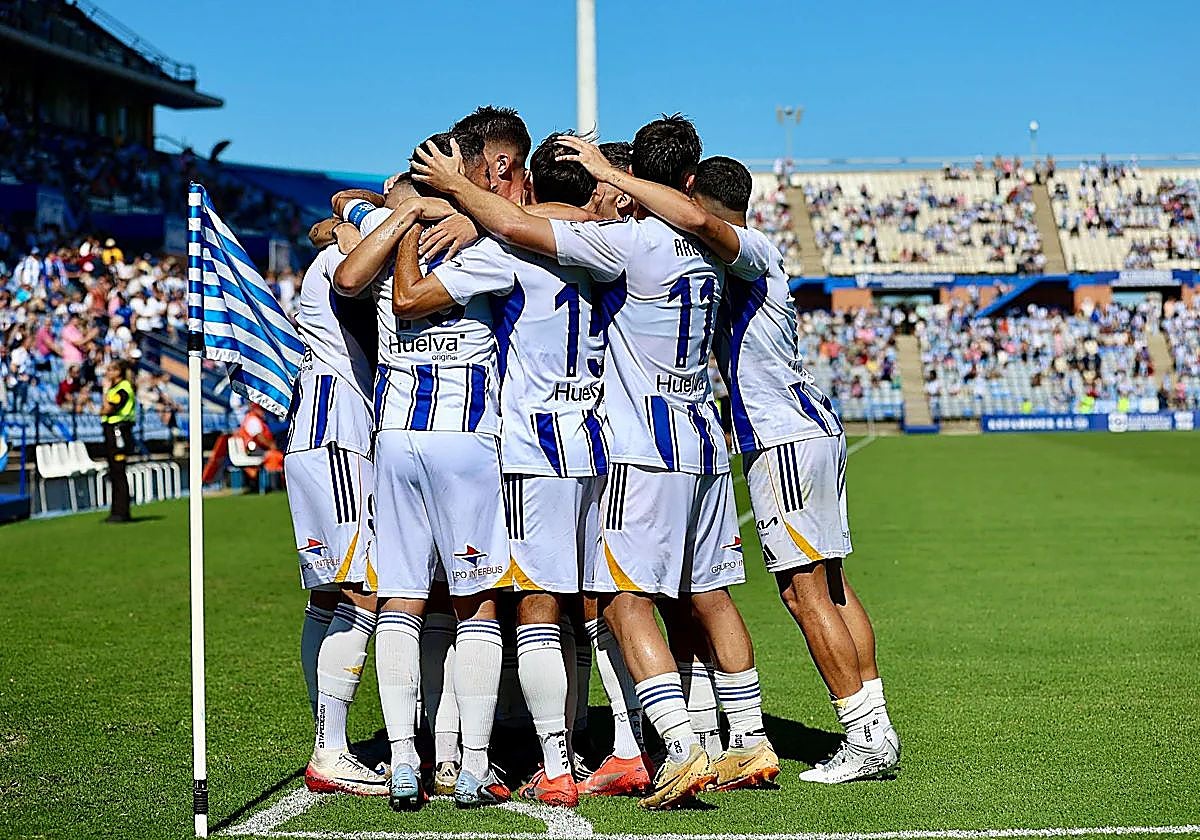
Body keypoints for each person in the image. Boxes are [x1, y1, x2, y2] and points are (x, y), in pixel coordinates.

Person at [412, 115, 769, 809]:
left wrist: (451, 200)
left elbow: (517, 234)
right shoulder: (720, 245)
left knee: (592, 600)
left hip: (613, 447)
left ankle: (660, 747)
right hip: (689, 440)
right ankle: (739, 737)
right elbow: (565, 214)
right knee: (700, 595)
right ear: (690, 180)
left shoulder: (620, 245)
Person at [560, 144, 900, 783]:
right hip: (808, 426)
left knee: (803, 592)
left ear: (693, 193)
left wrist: (611, 176)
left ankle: (861, 735)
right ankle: (874, 724)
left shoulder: (742, 245)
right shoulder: (732, 256)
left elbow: (699, 225)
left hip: (782, 435)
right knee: (830, 582)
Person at [335, 131, 516, 811]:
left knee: (401, 599)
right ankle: (470, 765)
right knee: (474, 601)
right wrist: (429, 210)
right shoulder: (485, 244)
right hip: (462, 441)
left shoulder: (386, 231)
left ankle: (404, 762)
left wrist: (389, 211)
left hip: (396, 439)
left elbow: (347, 235)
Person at [285, 213, 387, 796]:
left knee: (327, 592)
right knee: (360, 587)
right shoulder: (347, 263)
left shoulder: (340, 249)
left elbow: (334, 213)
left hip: (321, 429)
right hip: (336, 433)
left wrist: (341, 222)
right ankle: (331, 748)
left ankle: (331, 740)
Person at [101, 359, 136, 523]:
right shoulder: (116, 388)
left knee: (119, 472)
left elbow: (108, 408)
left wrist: (105, 393)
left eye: (110, 370)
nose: (107, 373)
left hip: (119, 432)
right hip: (113, 432)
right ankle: (116, 510)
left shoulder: (123, 389)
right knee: (115, 473)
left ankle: (121, 512)